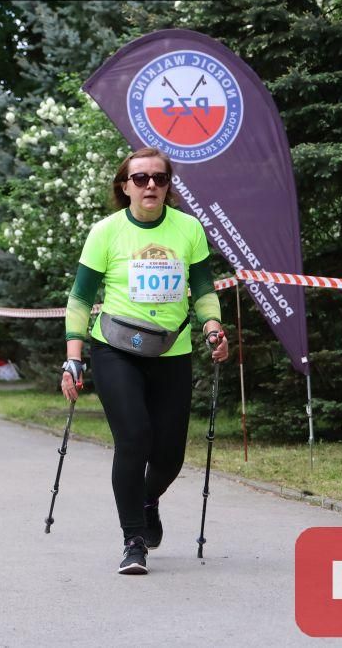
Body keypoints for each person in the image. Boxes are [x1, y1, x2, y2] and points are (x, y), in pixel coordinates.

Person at [61, 147, 229, 575]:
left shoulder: (188, 229)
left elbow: (203, 289)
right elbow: (80, 299)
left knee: (170, 455)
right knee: (134, 438)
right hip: (115, 349)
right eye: (140, 178)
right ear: (125, 186)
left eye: (159, 178)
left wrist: (213, 328)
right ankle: (133, 540)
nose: (150, 184)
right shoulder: (106, 232)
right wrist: (73, 359)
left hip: (172, 351)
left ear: (168, 186)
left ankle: (148, 499)